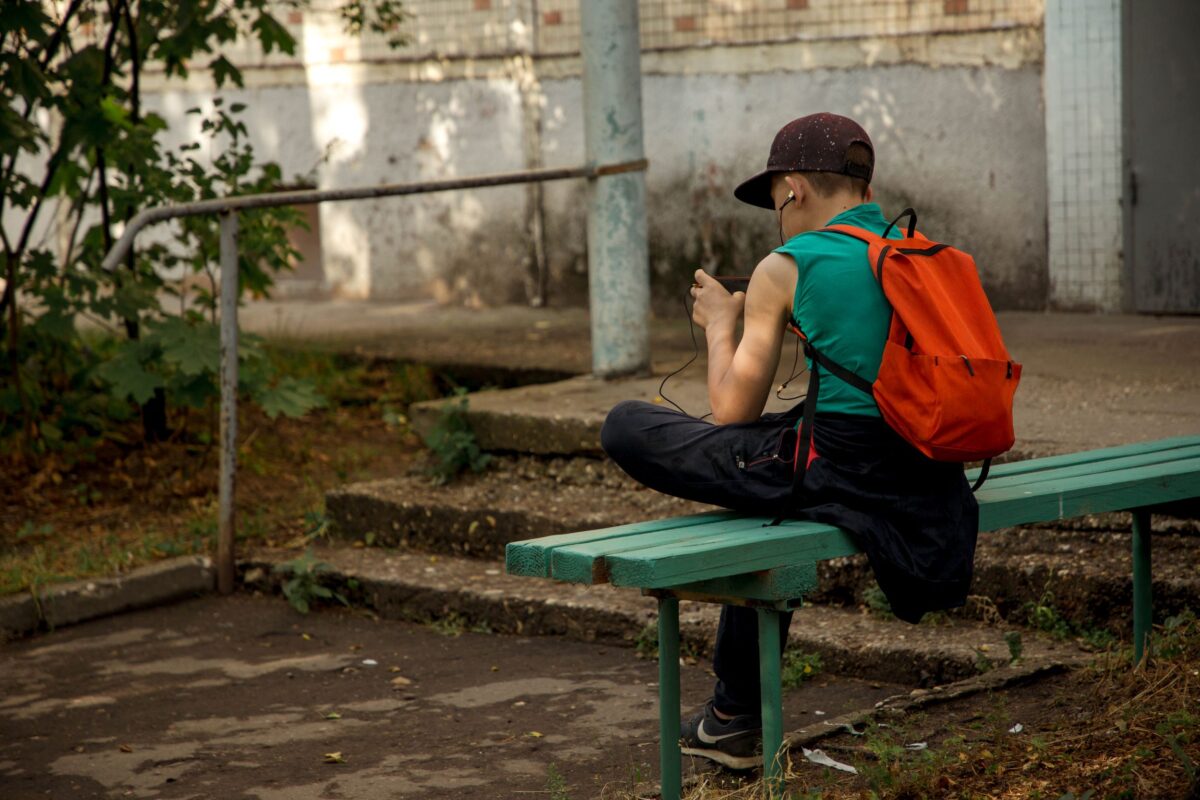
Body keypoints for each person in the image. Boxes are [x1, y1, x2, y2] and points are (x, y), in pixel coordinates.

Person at [600, 112, 979, 770]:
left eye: (775, 202)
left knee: (629, 424)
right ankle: (732, 714)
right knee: (762, 493)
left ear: (795, 189)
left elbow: (733, 413)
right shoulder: (921, 250)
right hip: (927, 467)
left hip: (839, 468)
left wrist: (723, 322)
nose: (777, 215)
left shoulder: (787, 264)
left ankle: (735, 715)